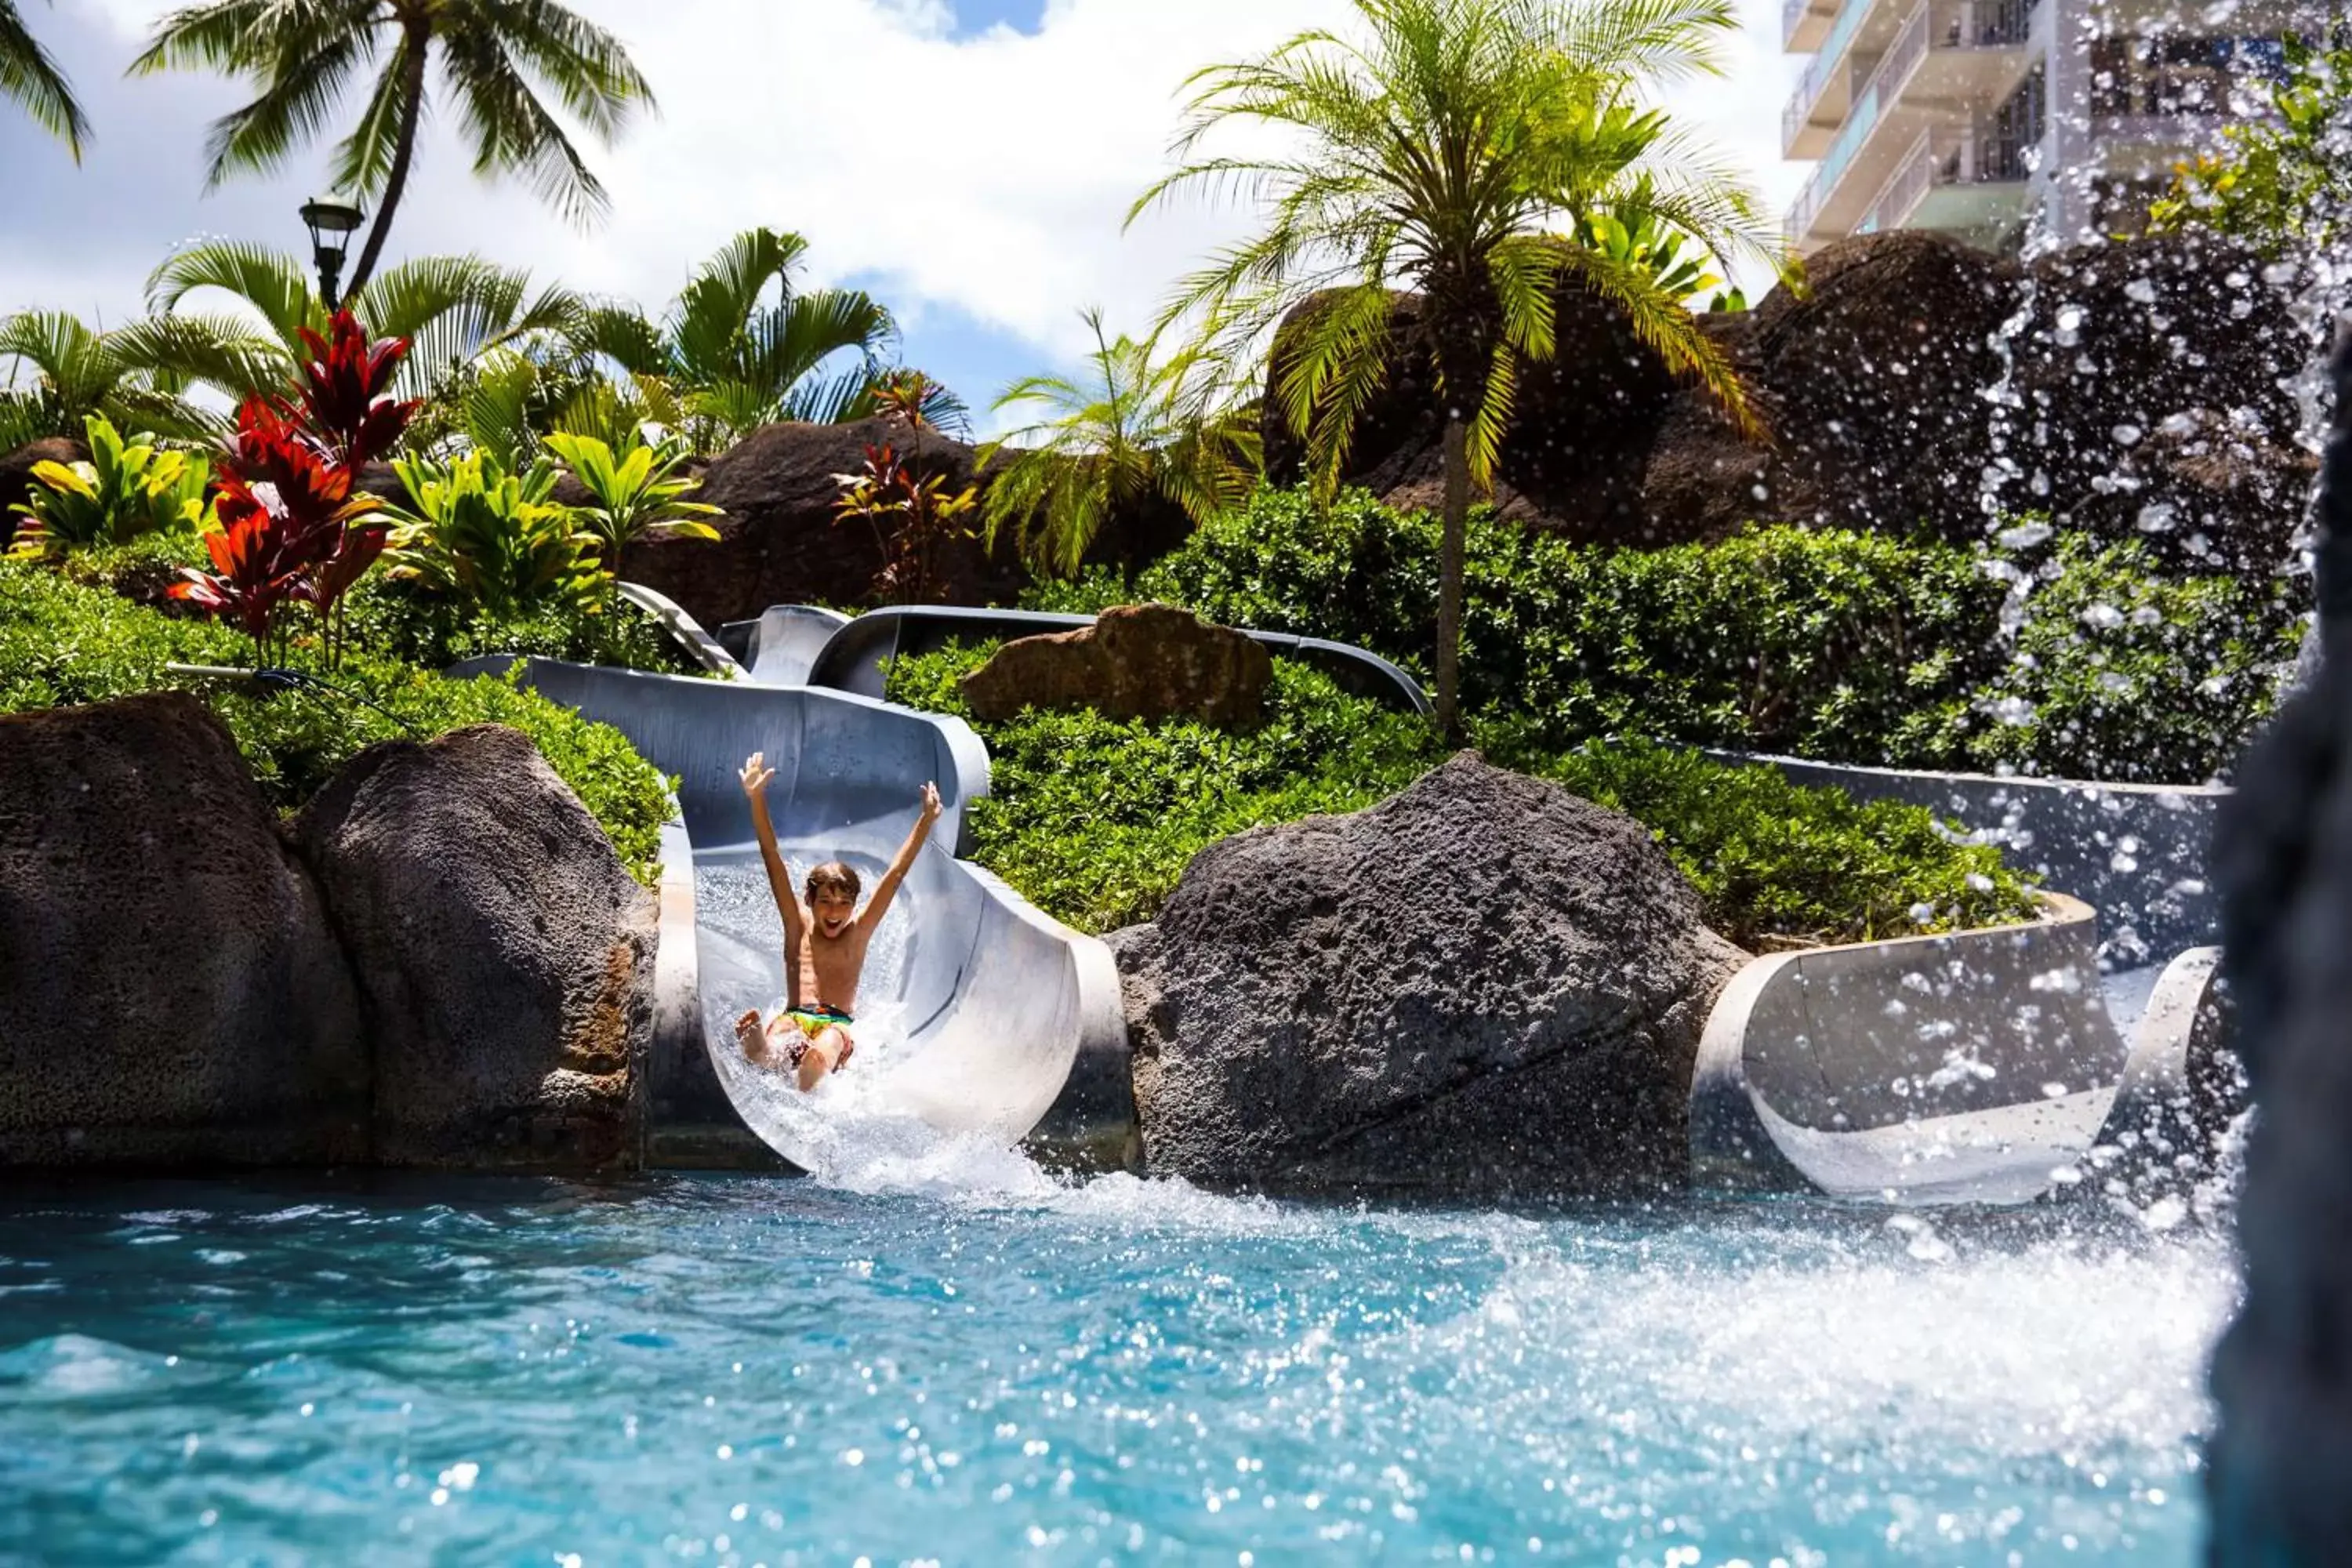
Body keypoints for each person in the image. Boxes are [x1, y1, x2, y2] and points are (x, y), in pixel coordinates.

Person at [733, 752, 944, 1091]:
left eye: (845, 903)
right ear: (809, 902)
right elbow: (773, 858)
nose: (835, 912)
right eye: (827, 902)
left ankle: (812, 1070)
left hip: (837, 1022)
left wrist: (926, 821)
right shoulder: (797, 925)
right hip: (796, 1015)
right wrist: (757, 798)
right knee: (783, 1032)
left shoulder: (858, 932)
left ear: (854, 906)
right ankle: (761, 1048)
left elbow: (894, 874)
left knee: (829, 1042)